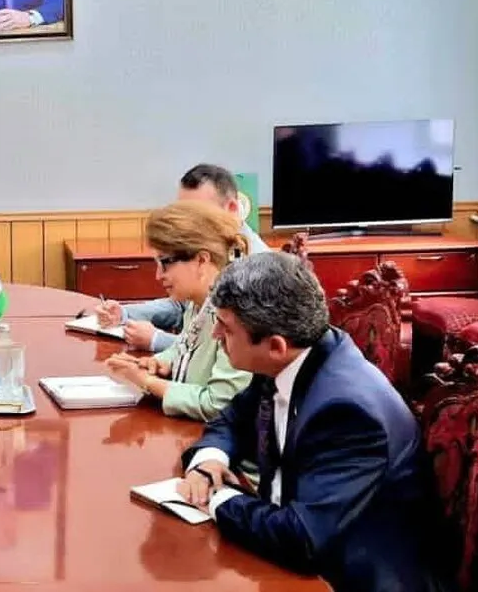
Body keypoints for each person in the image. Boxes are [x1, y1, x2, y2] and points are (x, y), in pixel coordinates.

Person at [175, 252, 450, 591]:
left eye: (226, 327)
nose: (216, 334)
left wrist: (218, 499)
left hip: (352, 578)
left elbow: (301, 539)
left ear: (276, 345)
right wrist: (209, 462)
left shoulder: (347, 413)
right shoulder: (294, 355)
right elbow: (232, 419)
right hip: (297, 548)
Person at [104, 201, 253, 422]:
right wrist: (160, 362)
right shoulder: (197, 304)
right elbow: (182, 348)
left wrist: (148, 382)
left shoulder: (237, 316)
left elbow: (218, 404)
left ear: (202, 260)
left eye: (165, 263)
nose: (158, 275)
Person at [96, 163, 269, 351]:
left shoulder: (258, 272)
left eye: (196, 216)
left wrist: (157, 340)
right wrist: (124, 313)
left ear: (232, 208)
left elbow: (231, 350)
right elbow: (181, 307)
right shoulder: (206, 251)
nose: (185, 225)